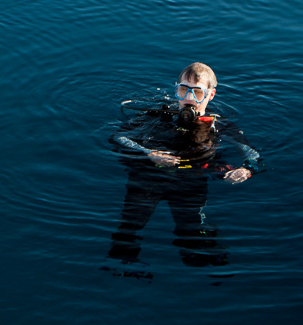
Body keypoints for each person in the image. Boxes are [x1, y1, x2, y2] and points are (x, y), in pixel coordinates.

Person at [108, 62, 262, 269]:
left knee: (192, 231)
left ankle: (203, 267)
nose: (188, 99)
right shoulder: (159, 117)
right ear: (176, 90)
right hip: (149, 178)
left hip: (190, 182)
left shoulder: (220, 126)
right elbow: (118, 137)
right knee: (129, 227)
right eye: (183, 90)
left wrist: (246, 169)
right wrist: (148, 153)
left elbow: (253, 155)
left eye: (197, 92)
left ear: (210, 95)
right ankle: (122, 264)